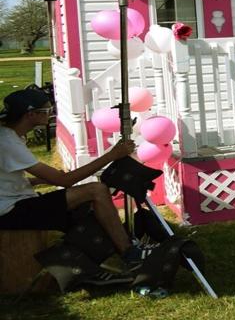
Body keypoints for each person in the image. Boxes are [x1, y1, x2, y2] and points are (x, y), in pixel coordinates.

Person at [0, 86, 142, 276]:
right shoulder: (8, 143)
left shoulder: (9, 135)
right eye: (47, 111)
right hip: (10, 211)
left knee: (85, 206)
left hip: (13, 202)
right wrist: (112, 155)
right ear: (31, 114)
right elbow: (66, 181)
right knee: (96, 190)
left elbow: (6, 176)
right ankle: (129, 253)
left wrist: (37, 181)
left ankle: (92, 258)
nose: (51, 115)